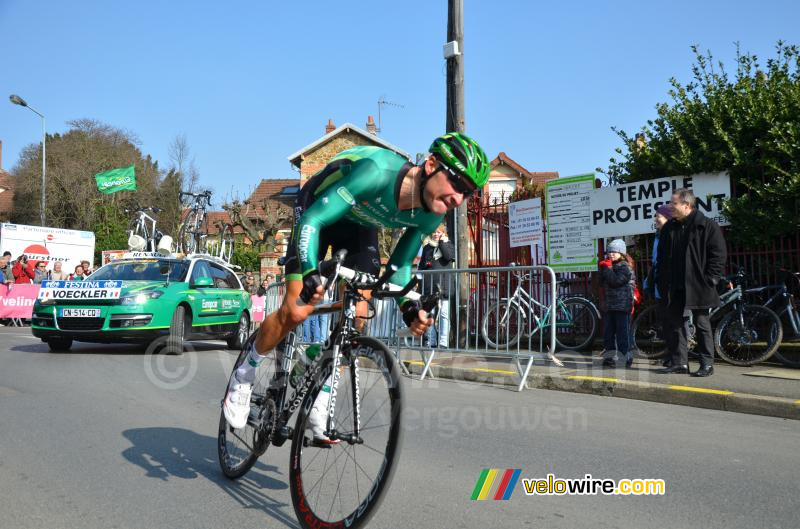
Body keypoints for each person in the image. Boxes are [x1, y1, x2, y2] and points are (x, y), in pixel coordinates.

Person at [223, 132, 490, 441]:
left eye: (467, 193)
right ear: (431, 165)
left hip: (359, 225)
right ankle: (244, 374)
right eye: (457, 183)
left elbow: (399, 267)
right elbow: (313, 221)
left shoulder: (432, 213)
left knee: (358, 315)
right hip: (319, 209)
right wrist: (310, 272)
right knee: (297, 310)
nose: (458, 198)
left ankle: (319, 387)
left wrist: (409, 307)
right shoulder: (377, 174)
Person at [656, 188, 726, 377]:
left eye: (674, 203)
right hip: (675, 284)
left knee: (702, 323)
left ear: (686, 205)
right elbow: (662, 258)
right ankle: (680, 363)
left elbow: (718, 255)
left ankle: (706, 364)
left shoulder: (707, 225)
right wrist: (660, 280)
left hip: (699, 284)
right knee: (675, 323)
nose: (670, 206)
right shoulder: (669, 228)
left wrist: (711, 278)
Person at [642, 204, 680, 367]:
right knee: (665, 324)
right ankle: (670, 355)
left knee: (674, 324)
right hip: (660, 286)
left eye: (658, 216)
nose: (655, 219)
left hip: (670, 286)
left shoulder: (672, 234)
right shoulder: (658, 236)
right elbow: (655, 262)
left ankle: (677, 358)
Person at [598, 239, 635, 368]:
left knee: (622, 334)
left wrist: (607, 269)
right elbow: (600, 282)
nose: (611, 254)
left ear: (621, 253)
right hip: (609, 305)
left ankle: (626, 358)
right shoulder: (608, 266)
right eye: (609, 252)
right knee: (608, 334)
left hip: (622, 306)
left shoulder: (625, 267)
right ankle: (609, 358)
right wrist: (602, 269)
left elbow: (616, 281)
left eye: (614, 251)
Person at [418, 223, 455, 348]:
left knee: (444, 314)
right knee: (430, 314)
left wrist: (442, 243)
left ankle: (444, 342)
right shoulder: (427, 247)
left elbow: (448, 257)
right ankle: (431, 341)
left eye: (438, 232)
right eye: (434, 232)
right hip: (429, 285)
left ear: (443, 233)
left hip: (444, 285)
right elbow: (422, 266)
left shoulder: (448, 245)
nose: (435, 234)